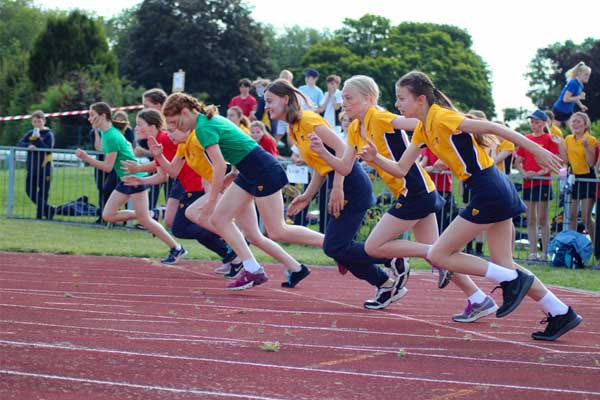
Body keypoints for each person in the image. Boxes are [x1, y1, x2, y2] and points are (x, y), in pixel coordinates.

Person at [358, 71, 581, 341]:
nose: (397, 104)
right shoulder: (422, 128)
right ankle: (561, 312)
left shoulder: (442, 116)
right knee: (504, 263)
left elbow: (493, 128)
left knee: (440, 255)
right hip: (491, 188)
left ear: (420, 99)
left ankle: (511, 280)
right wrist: (374, 158)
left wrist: (535, 149)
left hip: (490, 189)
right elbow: (400, 168)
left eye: (401, 98)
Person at [313, 75, 497, 321]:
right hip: (417, 192)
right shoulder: (356, 128)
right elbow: (345, 167)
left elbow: (415, 124)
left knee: (375, 246)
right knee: (442, 258)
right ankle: (478, 298)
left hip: (415, 191)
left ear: (368, 99)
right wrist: (322, 151)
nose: (343, 102)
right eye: (342, 98)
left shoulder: (380, 117)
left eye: (348, 97)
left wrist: (446, 129)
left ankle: (434, 254)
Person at [265, 79, 405, 310]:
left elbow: (341, 150)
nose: (268, 107)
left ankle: (390, 259)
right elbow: (321, 167)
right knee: (337, 248)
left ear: (286, 100)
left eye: (270, 101)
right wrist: (307, 196)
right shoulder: (294, 127)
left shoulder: (309, 119)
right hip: (338, 181)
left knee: (335, 247)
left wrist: (338, 187)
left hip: (351, 183)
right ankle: (385, 280)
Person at [161, 92, 324, 290]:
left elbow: (220, 166)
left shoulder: (203, 128)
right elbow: (239, 145)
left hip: (262, 170)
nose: (172, 127)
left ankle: (333, 244)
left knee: (278, 230)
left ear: (185, 112)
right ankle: (258, 269)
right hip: (248, 171)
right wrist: (234, 174)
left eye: (173, 121)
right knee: (231, 224)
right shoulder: (207, 121)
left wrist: (211, 201)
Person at [121, 109, 240, 273]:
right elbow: (169, 172)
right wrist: (142, 178)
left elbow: (215, 164)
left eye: (140, 124)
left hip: (198, 187)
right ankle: (230, 253)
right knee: (184, 225)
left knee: (185, 226)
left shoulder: (171, 139)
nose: (136, 128)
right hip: (189, 187)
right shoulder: (172, 143)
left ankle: (233, 248)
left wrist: (140, 168)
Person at [75, 102, 187, 264]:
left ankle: (176, 247)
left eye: (93, 115)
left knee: (135, 219)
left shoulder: (112, 135)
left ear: (104, 116)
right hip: (127, 179)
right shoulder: (107, 134)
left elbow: (108, 167)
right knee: (111, 215)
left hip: (134, 180)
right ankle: (155, 217)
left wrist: (86, 158)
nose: (90, 118)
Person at [514, 110, 560, 261]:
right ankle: (533, 252)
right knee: (531, 218)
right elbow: (517, 161)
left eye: (537, 122)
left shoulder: (549, 138)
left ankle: (545, 252)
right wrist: (525, 172)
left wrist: (540, 171)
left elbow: (553, 161)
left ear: (544, 123)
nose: (534, 125)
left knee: (543, 218)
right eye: (532, 122)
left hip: (543, 183)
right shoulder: (526, 138)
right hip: (529, 183)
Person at [558, 112, 597, 241]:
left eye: (578, 121)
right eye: (573, 121)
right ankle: (572, 246)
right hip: (574, 178)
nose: (575, 124)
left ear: (585, 125)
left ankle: (596, 246)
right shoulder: (568, 139)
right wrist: (559, 144)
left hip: (587, 178)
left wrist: (586, 147)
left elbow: (591, 162)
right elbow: (565, 160)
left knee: (586, 217)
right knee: (572, 216)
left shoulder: (591, 140)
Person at [17, 110, 55, 220]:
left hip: (45, 168)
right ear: (32, 123)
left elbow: (48, 149)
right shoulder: (30, 133)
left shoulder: (49, 134)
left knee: (43, 192)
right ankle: (48, 209)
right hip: (32, 168)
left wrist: (38, 139)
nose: (37, 124)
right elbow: (20, 144)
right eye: (34, 122)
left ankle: (40, 216)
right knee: (29, 191)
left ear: (44, 121)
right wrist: (28, 145)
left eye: (39, 121)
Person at [552, 62, 592, 126]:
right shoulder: (573, 83)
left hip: (568, 112)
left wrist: (581, 105)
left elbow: (574, 97)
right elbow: (565, 99)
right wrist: (579, 97)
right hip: (559, 110)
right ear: (579, 73)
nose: (588, 77)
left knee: (576, 131)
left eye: (589, 75)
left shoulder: (581, 85)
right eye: (586, 74)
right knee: (554, 133)